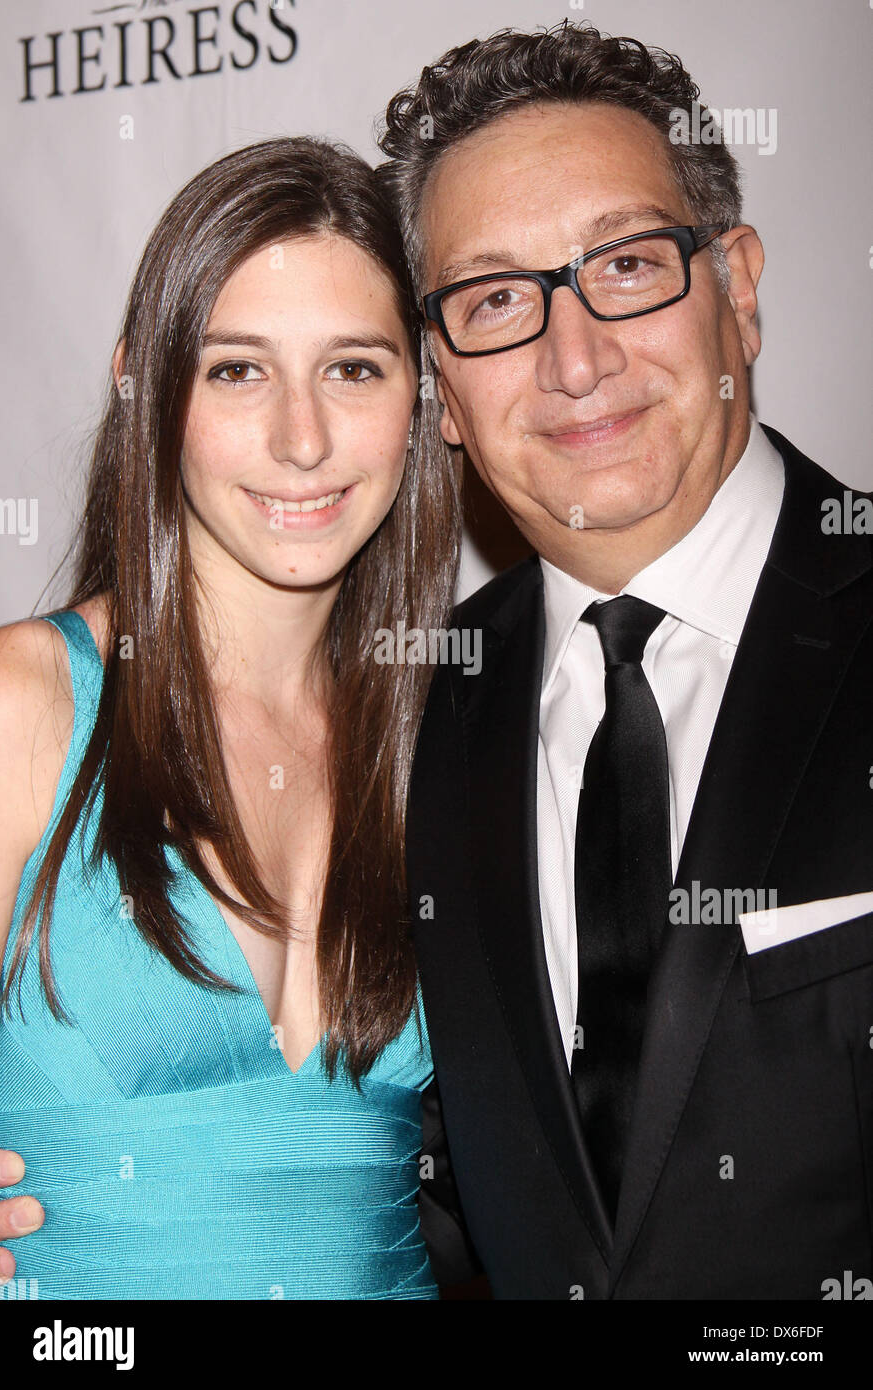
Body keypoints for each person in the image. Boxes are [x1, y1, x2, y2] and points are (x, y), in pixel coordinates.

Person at [377, 22, 873, 1298]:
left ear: (738, 285)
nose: (574, 355)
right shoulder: (404, 716)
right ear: (439, 381)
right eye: (494, 299)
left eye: (626, 263)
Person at [0, 136, 460, 1299]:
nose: (302, 439)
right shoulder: (19, 706)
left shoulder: (444, 744)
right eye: (236, 370)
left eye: (353, 369)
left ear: (422, 398)